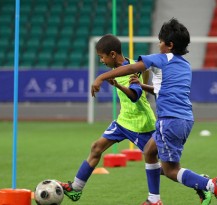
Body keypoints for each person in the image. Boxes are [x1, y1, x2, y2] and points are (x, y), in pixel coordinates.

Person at [91, 18, 217, 205]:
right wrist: (143, 85)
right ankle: (154, 200)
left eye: (160, 41)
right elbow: (162, 90)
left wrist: (101, 77)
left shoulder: (162, 59)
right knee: (149, 151)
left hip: (170, 120)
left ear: (169, 45)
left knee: (171, 169)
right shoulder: (185, 65)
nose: (158, 45)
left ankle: (211, 185)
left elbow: (132, 67)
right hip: (184, 119)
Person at [57, 34, 163, 204]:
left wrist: (122, 85)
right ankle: (76, 188)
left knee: (161, 168)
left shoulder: (130, 69)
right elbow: (147, 69)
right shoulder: (131, 63)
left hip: (140, 124)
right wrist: (143, 83)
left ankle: (200, 182)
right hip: (123, 121)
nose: (101, 61)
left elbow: (135, 96)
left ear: (112, 54)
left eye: (102, 57)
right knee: (96, 147)